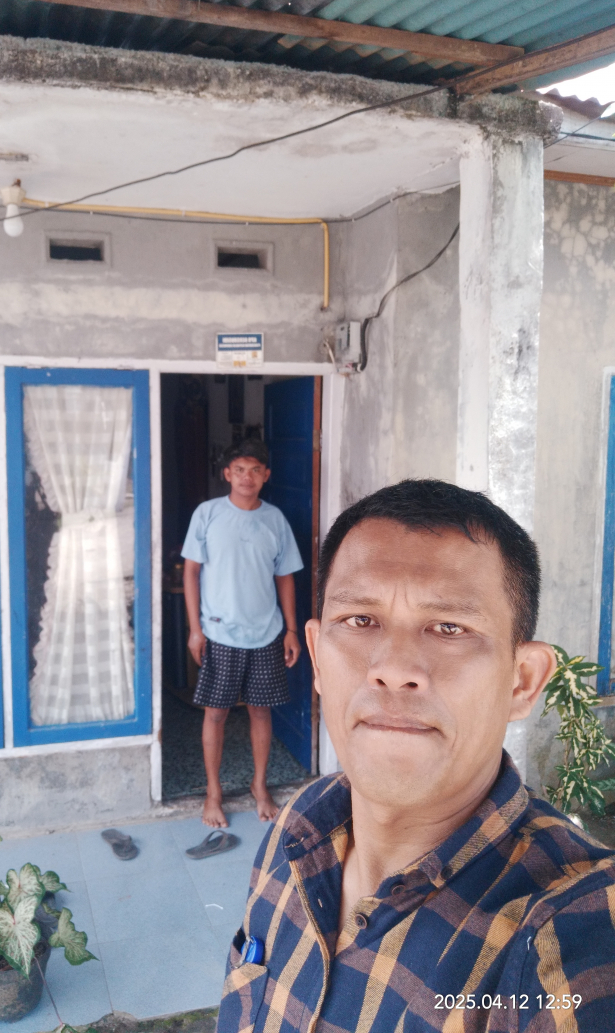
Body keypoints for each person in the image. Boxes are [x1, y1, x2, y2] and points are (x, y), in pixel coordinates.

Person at [217, 479, 615, 1032]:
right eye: (360, 620)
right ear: (317, 656)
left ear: (522, 681)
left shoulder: (567, 931)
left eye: (449, 628)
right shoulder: (298, 824)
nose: (393, 668)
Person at [182, 437, 303, 829]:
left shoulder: (275, 520)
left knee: (261, 710)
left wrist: (291, 629)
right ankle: (213, 793)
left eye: (254, 470)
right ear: (227, 474)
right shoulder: (208, 514)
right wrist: (195, 630)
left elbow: (285, 576)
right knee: (215, 713)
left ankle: (259, 785)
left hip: (266, 633)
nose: (246, 477)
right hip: (219, 632)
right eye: (239, 470)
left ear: (266, 475)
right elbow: (191, 572)